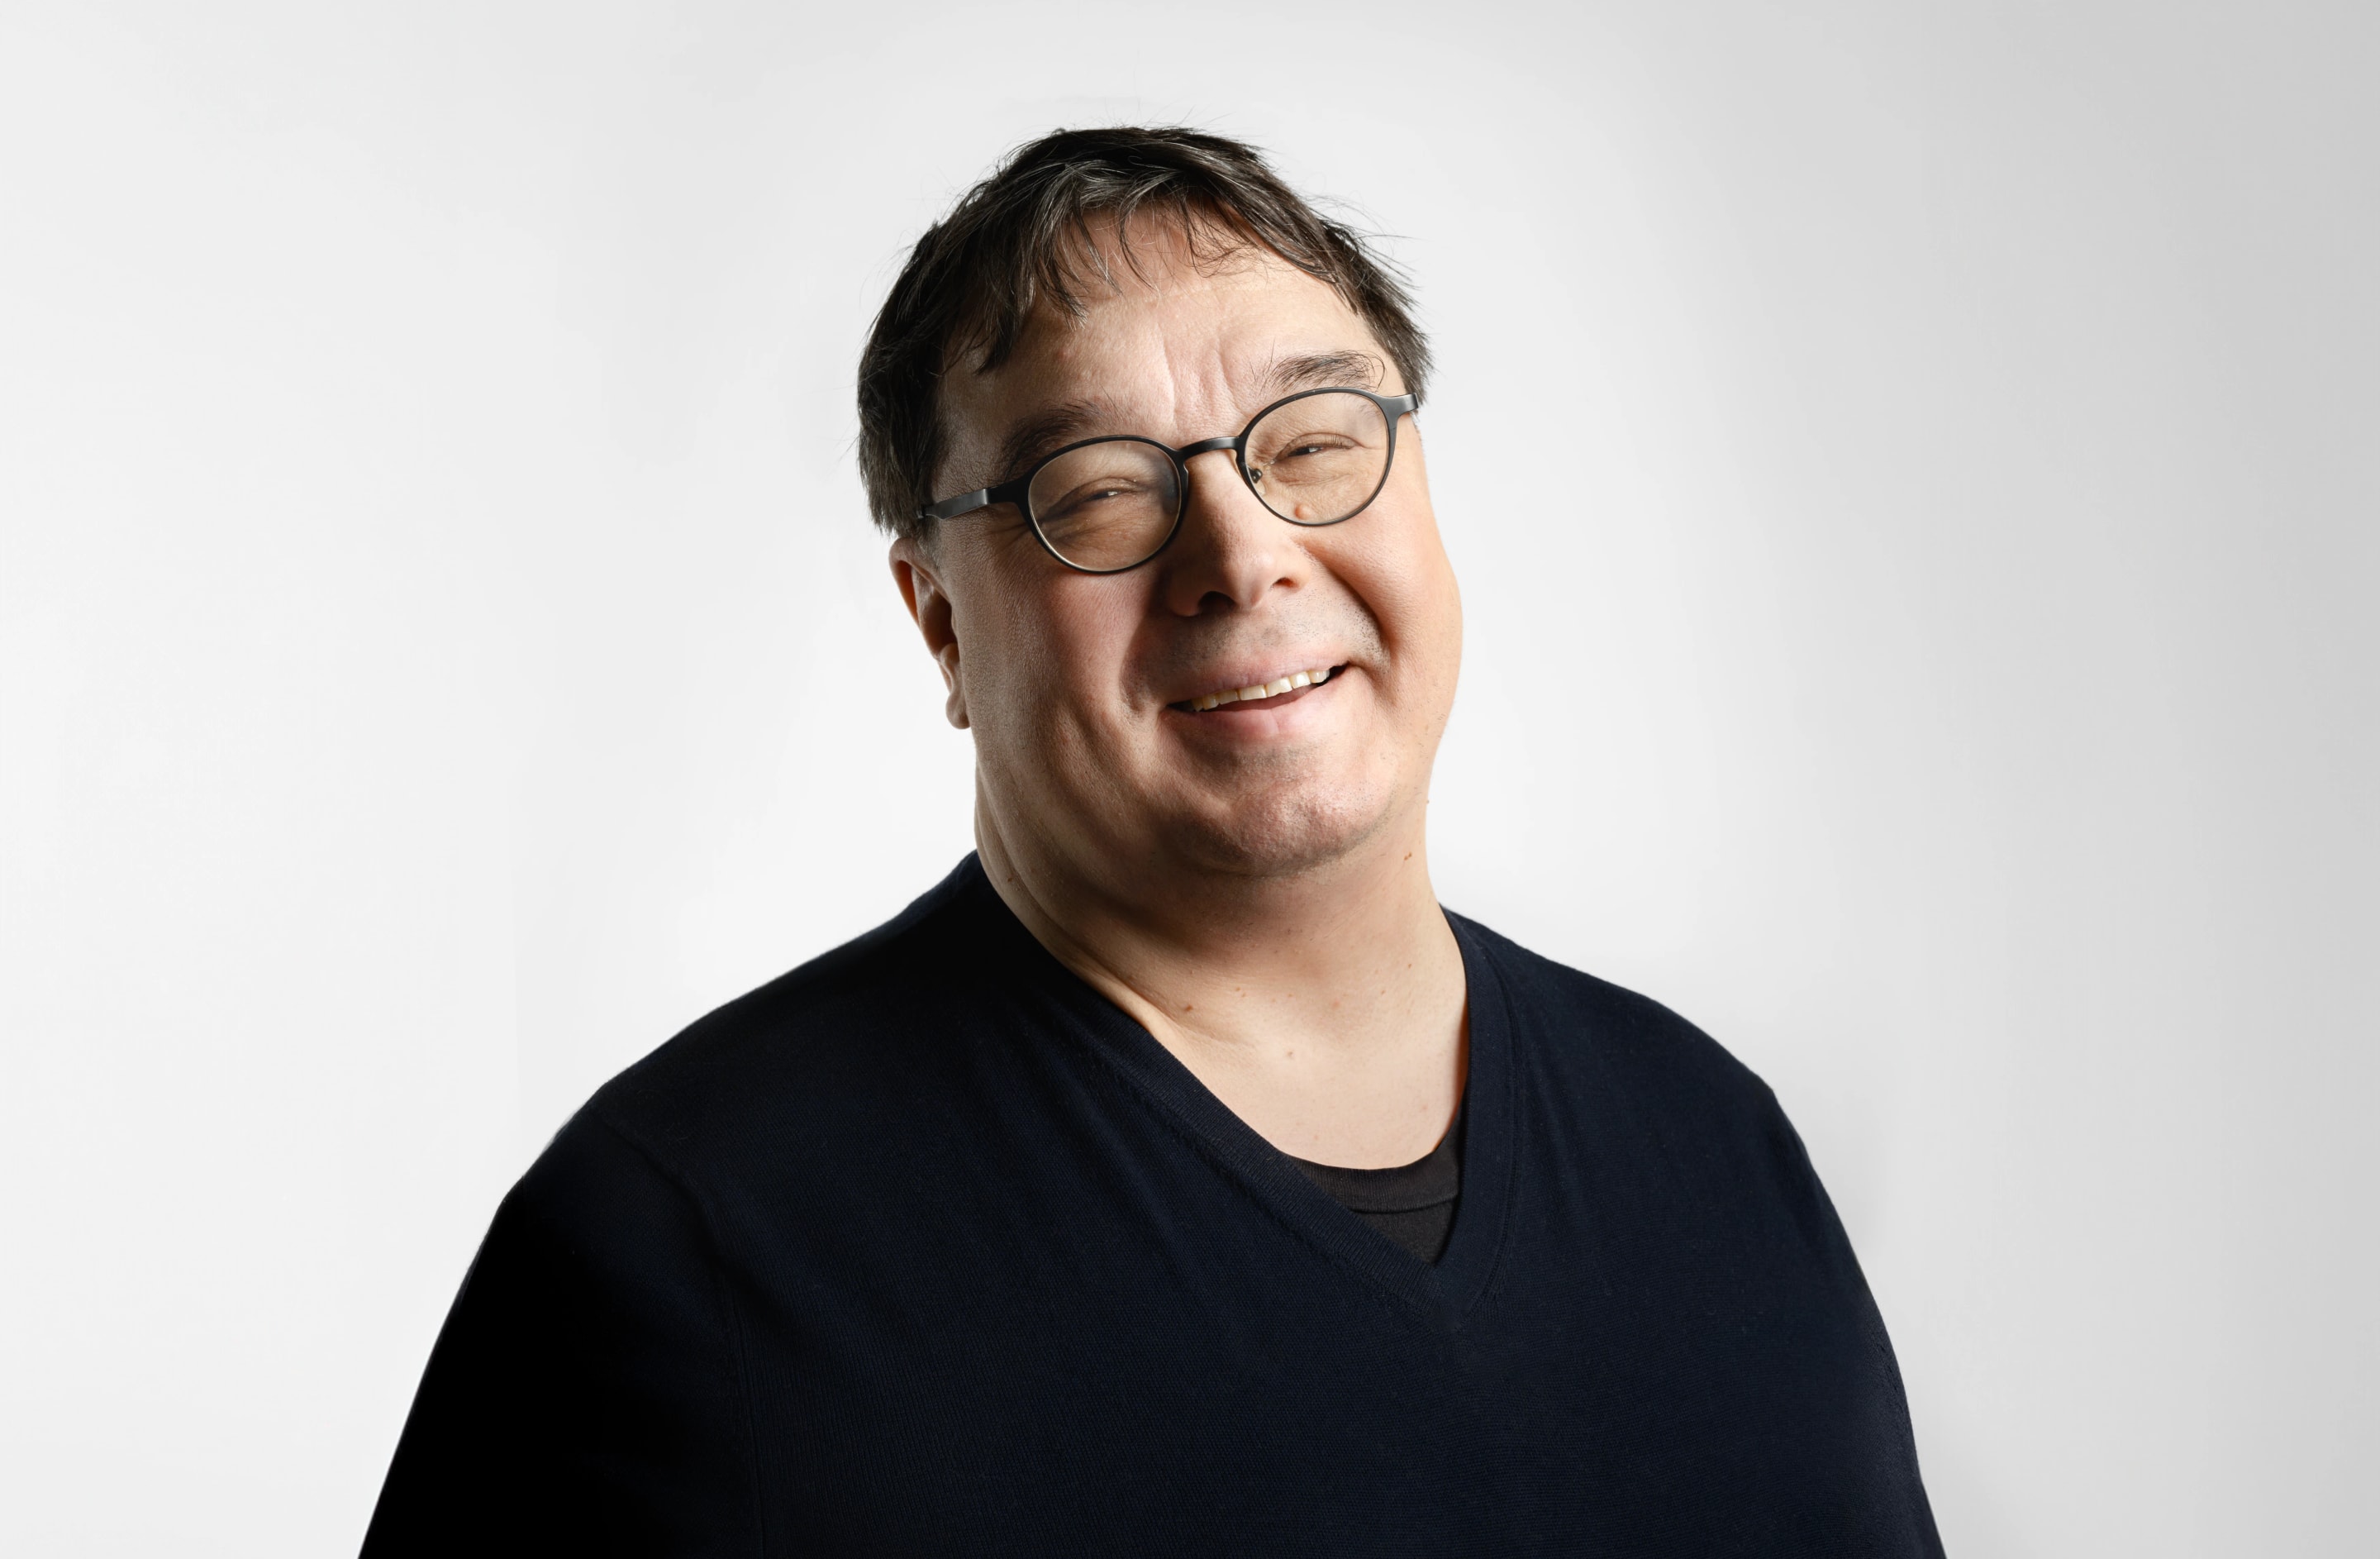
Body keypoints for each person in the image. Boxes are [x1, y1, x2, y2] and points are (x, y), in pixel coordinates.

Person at [362, 126, 1943, 1556]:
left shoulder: (1707, 1141)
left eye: (1313, 441)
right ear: (940, 626)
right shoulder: (690, 1250)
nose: (1244, 555)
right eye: (1099, 491)